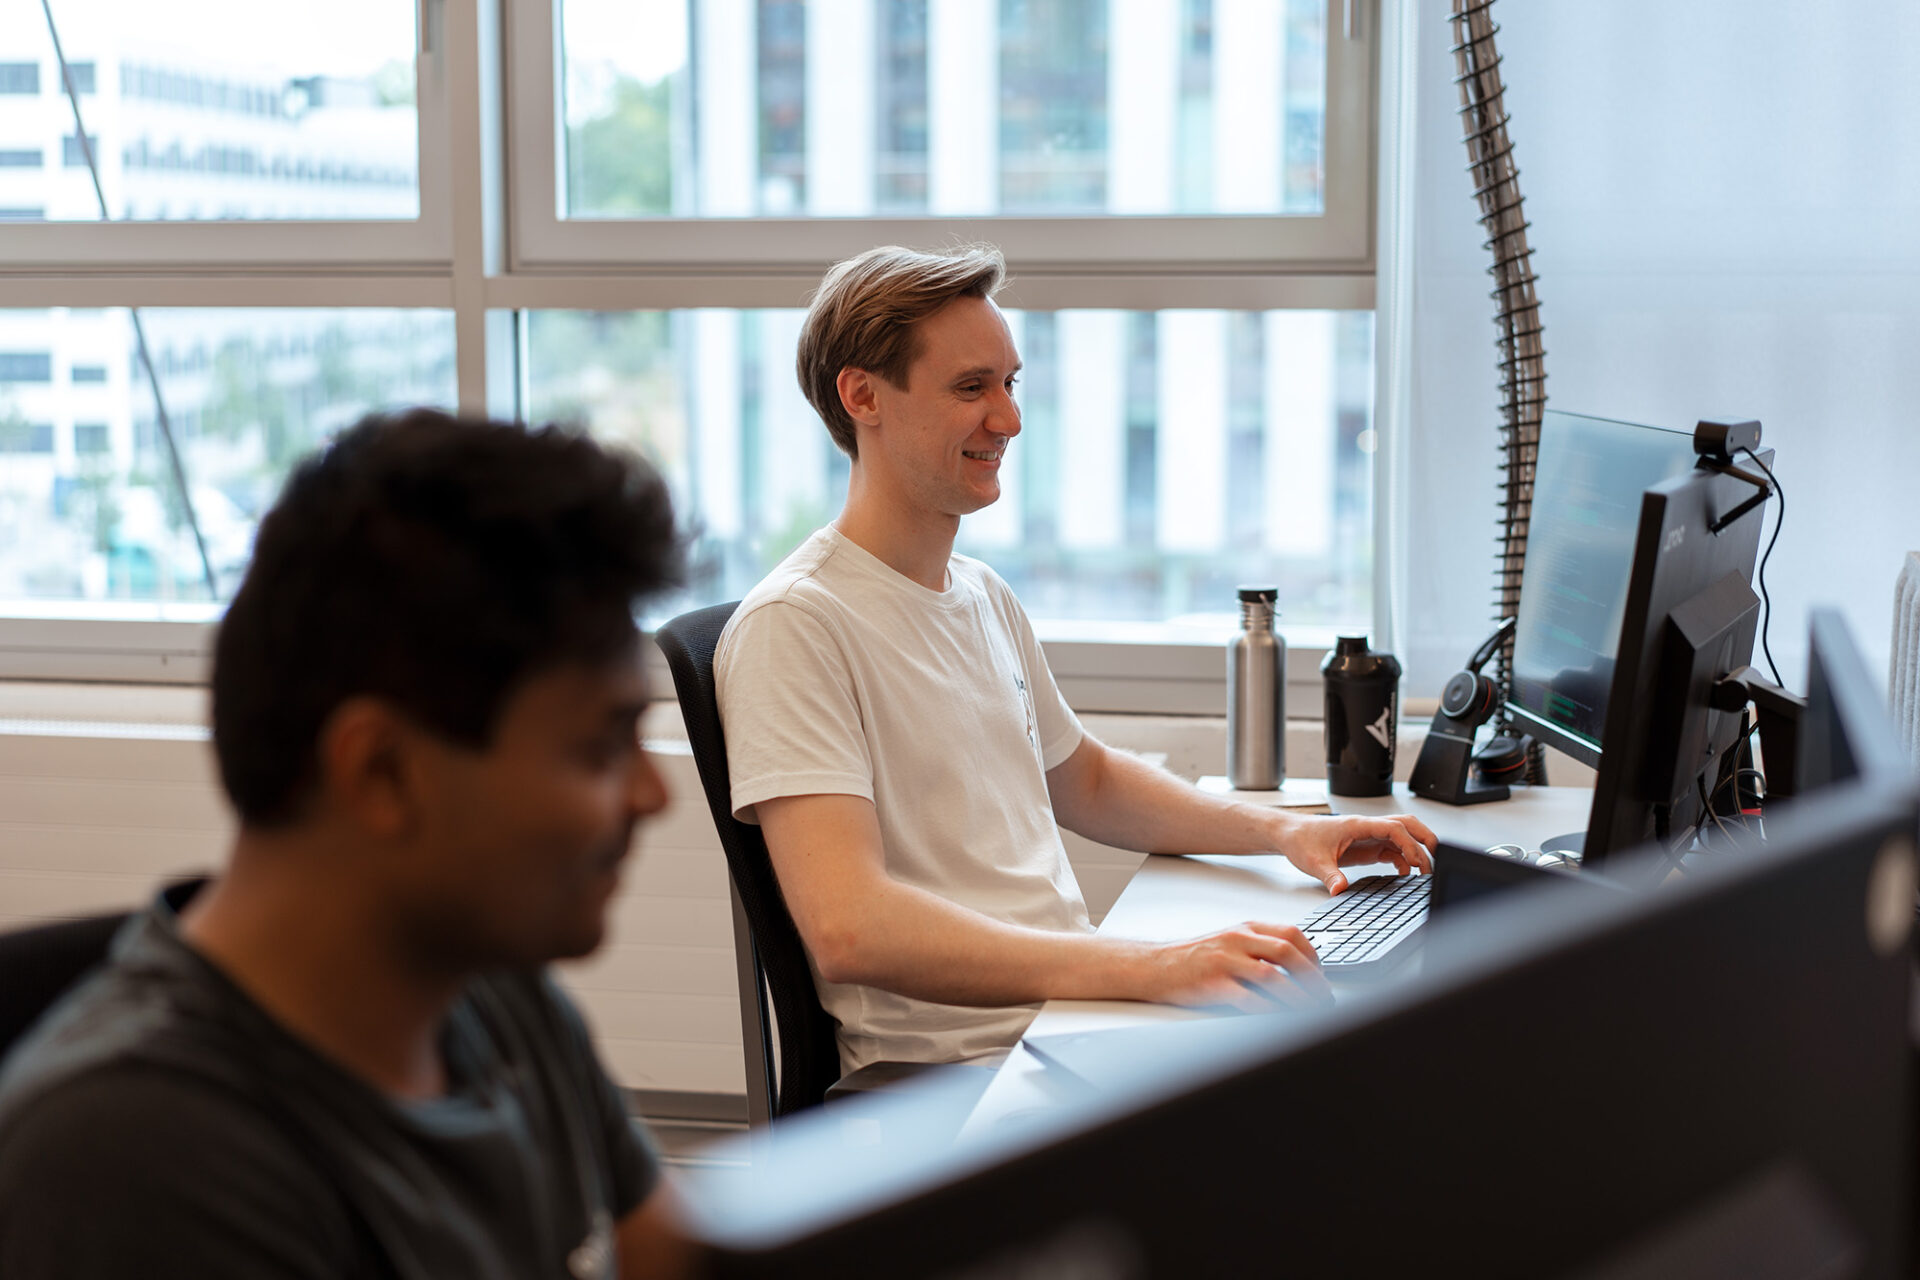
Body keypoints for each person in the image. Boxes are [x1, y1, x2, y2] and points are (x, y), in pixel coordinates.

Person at [715, 244, 1440, 1078]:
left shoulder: (979, 593)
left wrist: (1289, 833)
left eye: (1009, 383)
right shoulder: (797, 625)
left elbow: (1085, 780)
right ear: (862, 394)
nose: (1009, 419)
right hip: (956, 1075)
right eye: (969, 388)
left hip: (1063, 1030)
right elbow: (851, 927)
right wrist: (1154, 967)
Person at [0, 410, 693, 1280]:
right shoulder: (136, 1163)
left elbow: (675, 1258)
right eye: (600, 747)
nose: (653, 794)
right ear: (381, 775)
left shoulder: (498, 999)